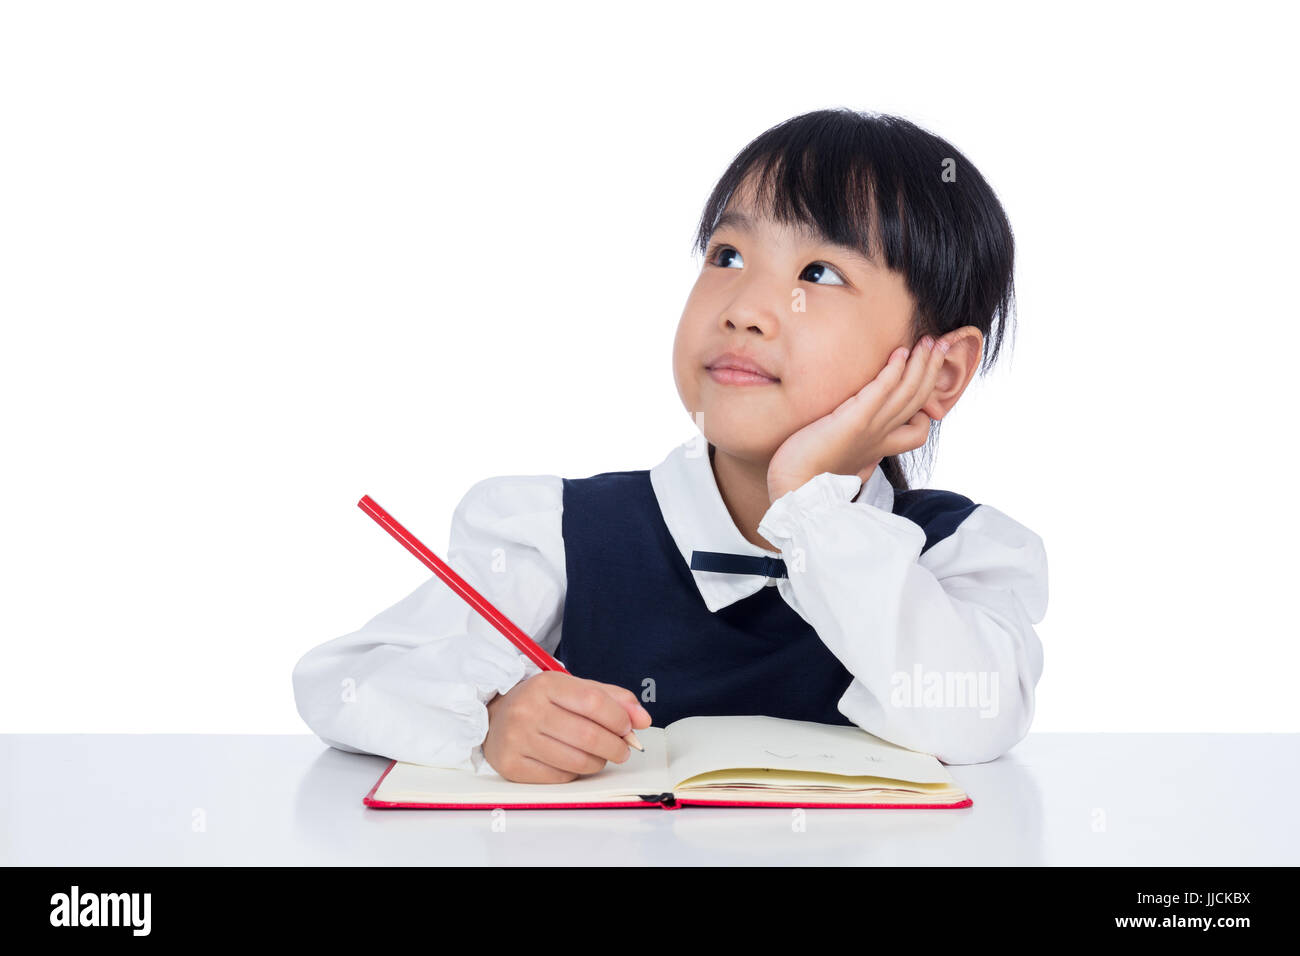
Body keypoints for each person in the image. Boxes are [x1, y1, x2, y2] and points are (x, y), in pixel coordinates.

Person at [292, 107, 1048, 783]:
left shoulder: (958, 556)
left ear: (939, 370)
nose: (747, 307)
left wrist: (808, 502)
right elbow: (343, 682)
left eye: (818, 273)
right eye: (727, 256)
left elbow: (972, 721)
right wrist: (487, 721)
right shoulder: (561, 537)